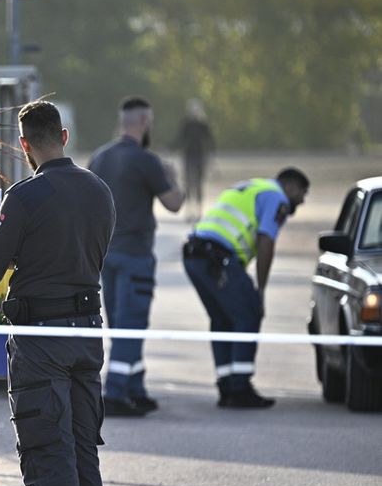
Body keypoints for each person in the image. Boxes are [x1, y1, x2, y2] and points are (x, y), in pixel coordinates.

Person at [0, 100, 115, 486]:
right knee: (82, 450)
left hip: (40, 339)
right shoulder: (99, 190)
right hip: (86, 333)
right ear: (66, 133)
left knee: (45, 449)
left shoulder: (26, 196)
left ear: (24, 144)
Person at [88, 96, 185, 416]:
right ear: (144, 122)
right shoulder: (147, 160)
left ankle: (135, 386)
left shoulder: (100, 158)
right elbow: (174, 203)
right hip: (136, 256)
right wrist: (172, 176)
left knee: (120, 325)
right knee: (133, 324)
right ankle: (115, 392)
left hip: (107, 256)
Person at [182, 168, 309, 408]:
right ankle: (239, 388)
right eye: (302, 194)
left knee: (222, 319)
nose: (302, 201)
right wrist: (260, 290)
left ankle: (227, 384)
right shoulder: (277, 198)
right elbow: (266, 241)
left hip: (195, 255)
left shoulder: (253, 185)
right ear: (291, 187)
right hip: (216, 257)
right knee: (249, 311)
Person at [175, 99, 215, 220]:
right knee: (187, 184)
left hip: (200, 156)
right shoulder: (186, 123)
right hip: (188, 156)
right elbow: (180, 139)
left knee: (198, 185)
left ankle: (199, 212)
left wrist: (211, 157)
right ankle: (188, 211)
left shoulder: (203, 124)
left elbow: (210, 141)